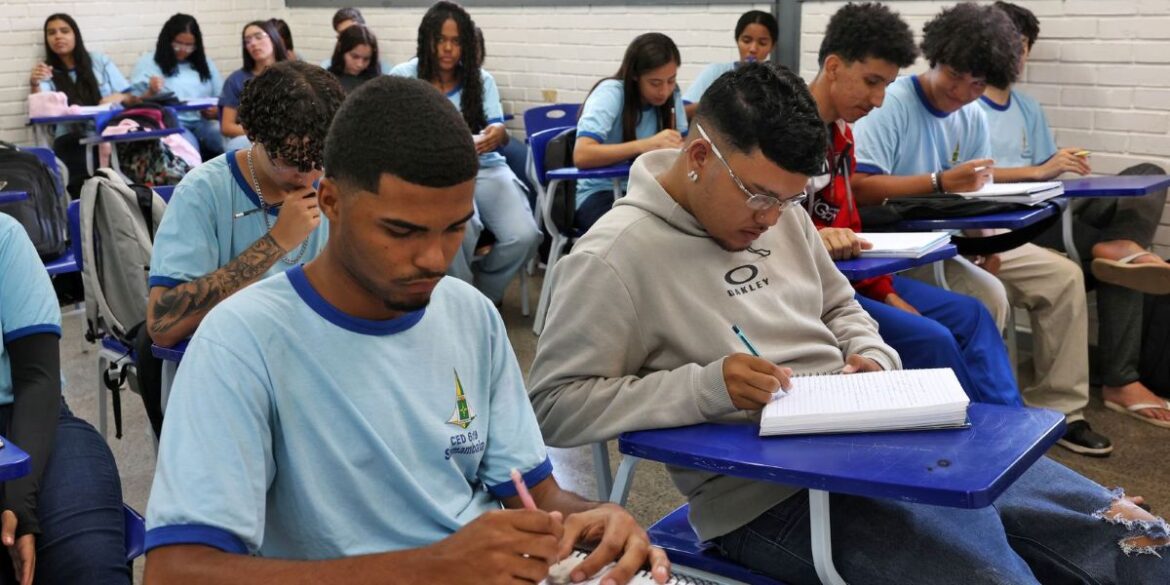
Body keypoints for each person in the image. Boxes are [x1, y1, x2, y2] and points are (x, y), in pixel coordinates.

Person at [527, 59, 1170, 585]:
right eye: (759, 196)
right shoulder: (613, 257)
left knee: (1130, 536)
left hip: (881, 438)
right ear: (698, 156)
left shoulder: (780, 213)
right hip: (769, 497)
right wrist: (708, 386)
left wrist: (874, 358)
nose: (772, 220)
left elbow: (843, 307)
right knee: (996, 577)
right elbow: (556, 406)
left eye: (791, 200)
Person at [143, 75, 670, 585]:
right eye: (401, 230)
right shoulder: (242, 340)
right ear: (330, 202)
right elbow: (176, 573)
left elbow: (535, 496)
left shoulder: (471, 314)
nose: (434, 258)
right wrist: (434, 570)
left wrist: (598, 521)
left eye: (455, 228)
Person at [850, 2, 1111, 456]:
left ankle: (1060, 413)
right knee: (985, 296)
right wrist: (939, 183)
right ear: (935, 55)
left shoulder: (971, 114)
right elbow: (862, 187)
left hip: (958, 239)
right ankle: (977, 419)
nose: (963, 90)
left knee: (1063, 276)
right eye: (955, 74)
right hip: (904, 247)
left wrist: (988, 241)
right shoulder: (892, 103)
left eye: (977, 83)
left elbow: (976, 193)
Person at [805, 2, 1020, 407]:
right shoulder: (788, 128)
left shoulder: (842, 136)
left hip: (851, 277)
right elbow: (772, 227)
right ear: (833, 67)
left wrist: (885, 292)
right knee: (932, 337)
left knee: (973, 315)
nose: (879, 99)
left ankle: (1011, 431)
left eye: (885, 84)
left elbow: (851, 232)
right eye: (871, 82)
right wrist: (820, 237)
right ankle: (973, 443)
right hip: (813, 289)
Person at [983, 1, 1170, 428]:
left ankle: (1121, 246)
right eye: (1012, 43)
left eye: (1026, 45)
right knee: (1122, 265)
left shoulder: (1027, 107)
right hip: (1015, 221)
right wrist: (1038, 171)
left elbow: (1046, 174)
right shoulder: (965, 104)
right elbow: (971, 183)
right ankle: (1122, 381)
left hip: (1052, 208)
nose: (1020, 54)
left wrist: (1061, 164)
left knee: (1148, 175)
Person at [140, 61, 343, 435]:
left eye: (319, 162)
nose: (308, 177)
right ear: (255, 136)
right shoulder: (203, 192)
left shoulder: (329, 184)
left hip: (313, 371)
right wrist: (275, 243)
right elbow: (162, 324)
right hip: (226, 376)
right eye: (293, 162)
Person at [0, 214, 129, 585]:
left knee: (88, 563)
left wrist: (18, 505)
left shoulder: (6, 237)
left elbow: (37, 379)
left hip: (29, 422)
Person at [390, 1, 540, 307]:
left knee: (525, 235)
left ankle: (481, 294)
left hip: (485, 166)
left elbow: (496, 126)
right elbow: (391, 132)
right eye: (441, 40)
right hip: (432, 174)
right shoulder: (404, 75)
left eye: (456, 41)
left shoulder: (480, 80)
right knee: (463, 225)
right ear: (427, 40)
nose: (448, 49)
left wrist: (497, 134)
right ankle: (457, 300)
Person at [574, 32, 688, 233]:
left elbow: (683, 146)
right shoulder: (611, 93)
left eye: (671, 80)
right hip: (602, 193)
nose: (664, 91)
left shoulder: (673, 95)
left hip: (649, 193)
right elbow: (582, 155)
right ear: (635, 75)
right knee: (640, 238)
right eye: (655, 83)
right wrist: (646, 145)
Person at [131, 13, 224, 157]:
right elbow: (132, 103)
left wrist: (217, 111)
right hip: (171, 124)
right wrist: (150, 91)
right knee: (188, 149)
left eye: (189, 46)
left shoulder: (204, 63)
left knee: (224, 137)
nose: (183, 50)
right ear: (167, 41)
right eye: (178, 44)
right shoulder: (149, 62)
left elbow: (222, 97)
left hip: (203, 121)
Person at [682, 10, 777, 119]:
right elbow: (681, 113)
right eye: (746, 41)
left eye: (762, 43)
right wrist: (717, 103)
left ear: (772, 46)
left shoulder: (775, 82)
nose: (753, 49)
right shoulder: (716, 72)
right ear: (737, 41)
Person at [30, 13, 130, 106]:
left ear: (76, 36)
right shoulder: (45, 71)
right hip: (68, 124)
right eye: (51, 33)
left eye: (65, 31)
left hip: (107, 122)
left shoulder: (99, 60)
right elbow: (42, 108)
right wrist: (35, 84)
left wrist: (120, 97)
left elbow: (132, 99)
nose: (58, 36)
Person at [219, 20, 288, 152]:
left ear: (274, 37)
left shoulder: (294, 74)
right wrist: (264, 134)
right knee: (236, 146)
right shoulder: (236, 80)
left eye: (258, 37)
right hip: (252, 138)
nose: (253, 44)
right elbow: (227, 126)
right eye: (248, 41)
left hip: (289, 135)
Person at [320, 7, 393, 74]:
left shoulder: (385, 71)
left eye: (354, 31)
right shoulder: (326, 68)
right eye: (344, 34)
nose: (360, 64)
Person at [326, 24, 381, 94]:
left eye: (366, 59)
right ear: (341, 51)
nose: (360, 64)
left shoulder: (376, 83)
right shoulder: (327, 80)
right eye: (355, 57)